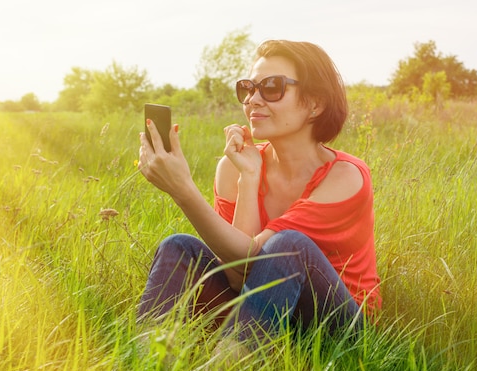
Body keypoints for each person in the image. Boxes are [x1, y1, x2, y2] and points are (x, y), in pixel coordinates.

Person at [137, 39, 381, 345]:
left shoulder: (345, 177)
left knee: (288, 244)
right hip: (260, 306)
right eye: (248, 88)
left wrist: (183, 190)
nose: (253, 99)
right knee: (178, 247)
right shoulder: (235, 166)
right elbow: (237, 275)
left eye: (272, 87)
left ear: (315, 103)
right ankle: (147, 366)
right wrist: (248, 178)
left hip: (335, 325)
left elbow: (255, 257)